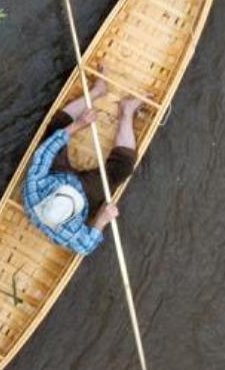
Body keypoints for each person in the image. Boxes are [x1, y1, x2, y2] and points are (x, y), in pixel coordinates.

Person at [21, 66, 144, 256]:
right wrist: (102, 220)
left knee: (56, 128)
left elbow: (46, 150)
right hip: (86, 194)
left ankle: (97, 92)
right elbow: (86, 246)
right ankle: (126, 111)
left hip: (57, 175)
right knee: (123, 167)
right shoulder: (67, 233)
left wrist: (79, 124)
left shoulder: (34, 188)